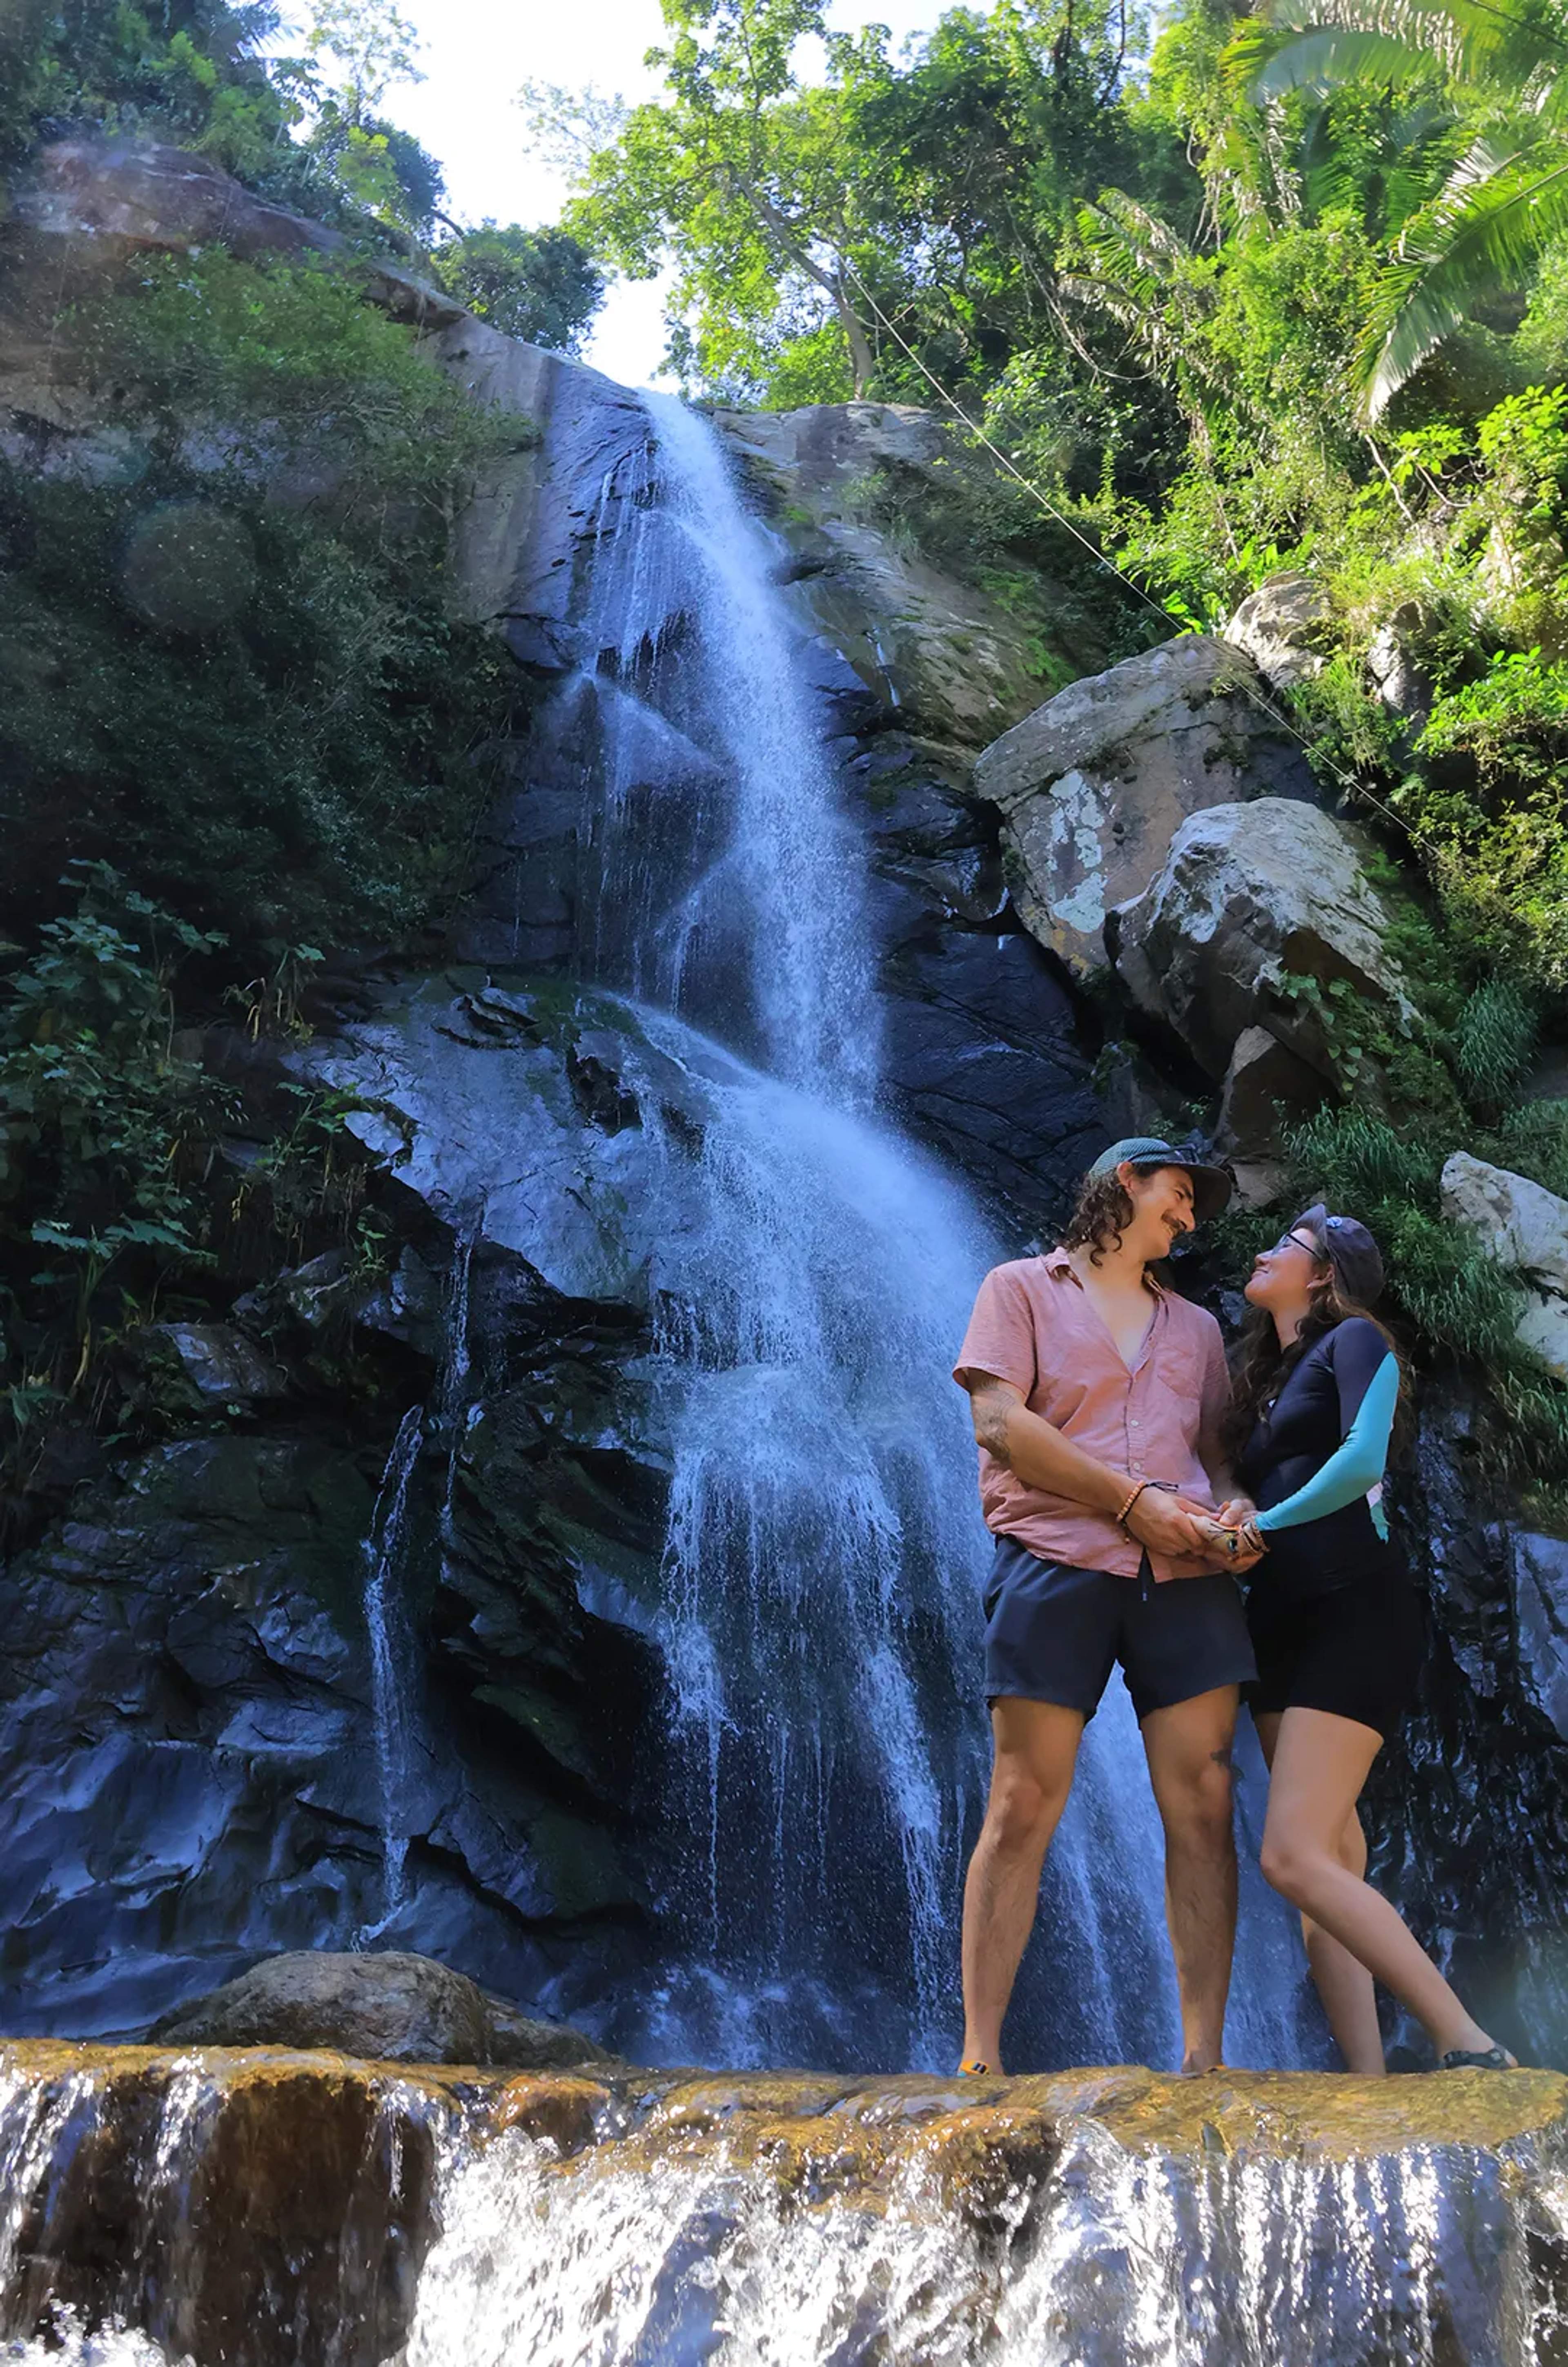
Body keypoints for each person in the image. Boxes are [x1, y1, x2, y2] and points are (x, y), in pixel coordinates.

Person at [952, 1136, 1263, 2078]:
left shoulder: (1200, 1330)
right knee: (1021, 1801)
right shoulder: (1019, 1289)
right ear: (1123, 1182)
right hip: (1057, 1557)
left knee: (1207, 1800)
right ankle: (978, 2059)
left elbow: (1212, 1456)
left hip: (1186, 1574)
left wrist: (1237, 1505)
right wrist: (1131, 1502)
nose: (1191, 1216)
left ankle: (1203, 2062)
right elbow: (1000, 1424)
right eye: (1179, 1194)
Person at [1207, 1204, 1515, 2073]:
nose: (1264, 1251)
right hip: (1274, 1629)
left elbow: (1361, 1461)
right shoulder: (1259, 1375)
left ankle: (1470, 2043)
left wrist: (1263, 1518)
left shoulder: (1359, 1343)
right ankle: (1369, 2084)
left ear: (1324, 1275)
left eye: (1287, 1245)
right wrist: (1232, 1502)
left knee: (1293, 1855)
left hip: (1354, 1609)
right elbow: (1228, 1463)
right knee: (1332, 1860)